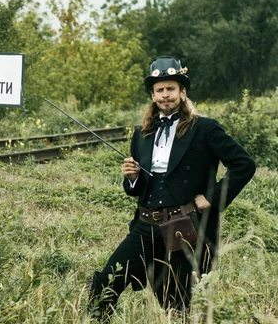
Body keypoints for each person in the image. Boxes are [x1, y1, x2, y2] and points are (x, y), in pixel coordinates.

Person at [89, 56, 256, 320]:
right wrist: (132, 178)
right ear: (153, 95)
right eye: (160, 90)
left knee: (176, 305)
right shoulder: (141, 134)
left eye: (171, 88)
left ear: (182, 92)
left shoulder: (205, 128)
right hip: (144, 226)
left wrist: (211, 198)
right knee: (106, 282)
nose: (165, 95)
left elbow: (244, 164)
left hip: (183, 227)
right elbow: (136, 188)